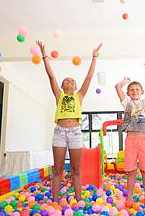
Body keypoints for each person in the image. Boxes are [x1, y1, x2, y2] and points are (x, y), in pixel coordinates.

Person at [36, 40, 102, 202]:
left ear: (76, 86)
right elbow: (51, 75)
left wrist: (94, 57)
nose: (70, 81)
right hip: (59, 132)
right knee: (57, 169)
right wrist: (44, 55)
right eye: (67, 80)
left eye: (72, 80)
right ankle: (56, 200)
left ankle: (79, 200)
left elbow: (89, 76)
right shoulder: (59, 95)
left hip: (75, 133)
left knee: (76, 169)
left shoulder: (79, 96)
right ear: (62, 85)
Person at [115, 60, 145, 206]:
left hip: (144, 140)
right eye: (131, 90)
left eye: (137, 89)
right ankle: (130, 197)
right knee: (131, 171)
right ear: (128, 93)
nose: (134, 91)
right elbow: (117, 87)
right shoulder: (126, 103)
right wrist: (125, 81)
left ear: (142, 92)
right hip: (131, 140)